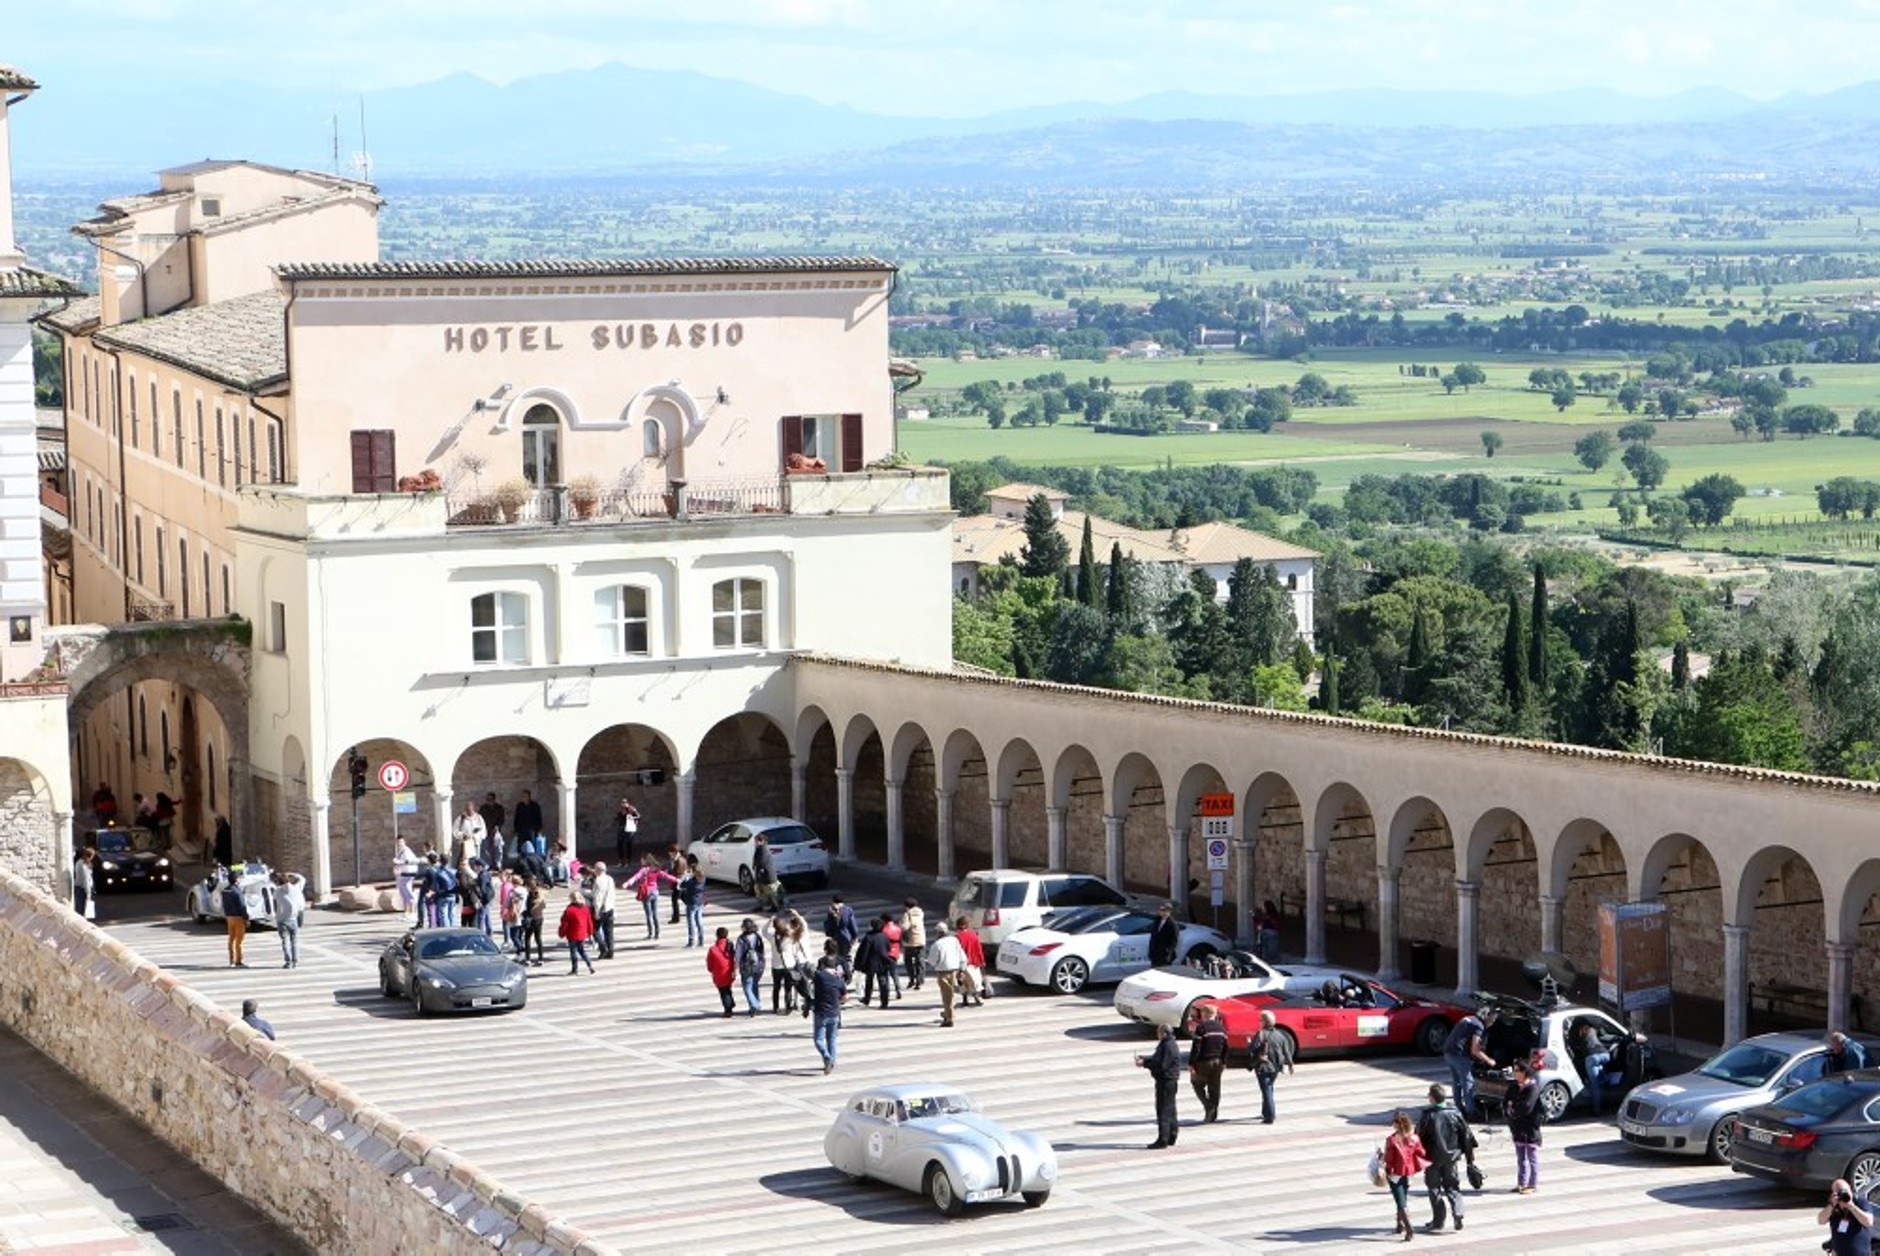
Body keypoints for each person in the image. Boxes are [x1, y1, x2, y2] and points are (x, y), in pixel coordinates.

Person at [1416, 1083, 1478, 1234]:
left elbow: (1417, 1137)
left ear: (1432, 1098)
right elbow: (1467, 1136)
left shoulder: (1428, 1115)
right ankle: (1458, 1213)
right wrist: (1470, 1160)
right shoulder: (1455, 1113)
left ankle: (1438, 1221)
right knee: (1452, 1186)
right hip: (1452, 1158)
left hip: (1432, 1159)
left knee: (1434, 1187)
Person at [1382, 1109, 1431, 1242]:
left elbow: (1388, 1159)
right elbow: (1422, 1152)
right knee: (1401, 1198)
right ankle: (1399, 1224)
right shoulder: (1414, 1138)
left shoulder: (1391, 1140)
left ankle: (1409, 1228)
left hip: (1394, 1174)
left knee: (1401, 1201)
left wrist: (1381, 1156)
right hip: (1409, 1173)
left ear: (1396, 1124)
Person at [1441, 1007, 1497, 1118]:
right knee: (1468, 1082)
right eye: (1493, 1020)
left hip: (1448, 1052)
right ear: (1487, 1018)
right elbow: (1475, 1050)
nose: (1493, 1023)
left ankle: (1459, 1108)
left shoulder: (1468, 1018)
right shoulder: (1479, 1026)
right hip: (1459, 1055)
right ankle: (1471, 1112)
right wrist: (1489, 1060)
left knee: (1457, 1082)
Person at [1137, 1024, 1183, 1149]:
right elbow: (1158, 1058)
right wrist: (1146, 1058)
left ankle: (1163, 1139)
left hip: (1166, 1081)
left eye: (1158, 1033)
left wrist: (1145, 1064)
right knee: (1170, 1109)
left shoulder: (1168, 1046)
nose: (1157, 1036)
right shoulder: (1168, 1043)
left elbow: (1162, 1065)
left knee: (1163, 1110)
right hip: (1169, 1081)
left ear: (1164, 1033)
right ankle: (1171, 1136)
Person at [1248, 1007, 1295, 1124]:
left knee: (1266, 1090)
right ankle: (1266, 1111)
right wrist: (1290, 1064)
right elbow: (1286, 1051)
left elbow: (1252, 1049)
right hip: (1276, 1067)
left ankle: (1269, 1116)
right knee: (1269, 1088)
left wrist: (1249, 1043)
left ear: (1264, 1021)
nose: (1259, 1022)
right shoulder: (1280, 1035)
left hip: (1263, 1066)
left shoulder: (1261, 1034)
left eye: (1260, 1020)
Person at [1504, 1058, 1542, 1195]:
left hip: (1530, 1129)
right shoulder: (1513, 1087)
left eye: (1517, 1071)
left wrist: (1512, 1109)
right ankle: (1521, 1183)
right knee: (1521, 1159)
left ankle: (1533, 1184)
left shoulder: (1532, 1088)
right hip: (1517, 1129)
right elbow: (1506, 1101)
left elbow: (1527, 1107)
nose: (1514, 1073)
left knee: (1532, 1158)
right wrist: (1510, 1110)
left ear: (1525, 1072)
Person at [1188, 1002, 1230, 1123]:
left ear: (1204, 1014)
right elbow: (1226, 1047)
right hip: (1218, 1062)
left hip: (1204, 1061)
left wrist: (1191, 1063)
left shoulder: (1201, 1028)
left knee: (1196, 1083)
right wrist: (1224, 1061)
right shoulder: (1222, 1028)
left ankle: (1208, 1107)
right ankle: (1213, 1114)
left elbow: (1196, 1047)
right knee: (1215, 1088)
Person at [622, 854, 678, 941]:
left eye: (642, 860)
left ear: (645, 861)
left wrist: (627, 883)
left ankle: (650, 933)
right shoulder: (656, 870)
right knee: (655, 913)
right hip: (655, 892)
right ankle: (657, 933)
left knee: (649, 915)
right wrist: (677, 880)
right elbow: (666, 876)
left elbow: (635, 877)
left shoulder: (644, 870)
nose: (640, 861)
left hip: (647, 893)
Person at [812, 953, 848, 1073]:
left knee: (818, 1039)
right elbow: (845, 998)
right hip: (835, 1013)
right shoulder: (839, 979)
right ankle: (831, 1062)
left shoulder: (819, 976)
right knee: (831, 1039)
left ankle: (826, 1056)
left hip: (821, 1012)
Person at [1820, 1177, 1875, 1256]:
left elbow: (1869, 1222)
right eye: (1839, 1192)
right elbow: (1820, 1220)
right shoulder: (1834, 1205)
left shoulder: (1859, 1202)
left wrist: (1851, 1207)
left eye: (1845, 1191)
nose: (1844, 1194)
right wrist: (1832, 1205)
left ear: (1850, 1188)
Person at [1571, 1021, 1613, 1116]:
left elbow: (1573, 1047)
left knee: (1595, 1085)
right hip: (1604, 1054)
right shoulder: (1593, 1029)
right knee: (1600, 1066)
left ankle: (1596, 1111)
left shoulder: (1576, 1034)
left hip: (1591, 1058)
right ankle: (1606, 1078)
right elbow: (1605, 1036)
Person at [270, 869, 307, 969]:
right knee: (294, 940)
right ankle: (295, 961)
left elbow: (274, 903)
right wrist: (292, 874)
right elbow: (302, 879)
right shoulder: (296, 888)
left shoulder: (278, 892)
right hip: (293, 919)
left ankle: (288, 961)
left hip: (281, 920)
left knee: (285, 941)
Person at [856, 916, 895, 1009]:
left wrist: (860, 964)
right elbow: (888, 948)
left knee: (869, 981)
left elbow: (864, 951)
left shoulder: (868, 937)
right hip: (883, 962)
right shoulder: (884, 936)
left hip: (871, 963)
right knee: (883, 982)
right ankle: (884, 1001)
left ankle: (867, 998)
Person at [770, 913, 806, 1014]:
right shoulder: (791, 937)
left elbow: (764, 931)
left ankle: (775, 1007)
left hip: (776, 966)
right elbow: (802, 926)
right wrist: (797, 915)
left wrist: (770, 921)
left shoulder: (772, 937)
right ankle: (788, 1007)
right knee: (788, 988)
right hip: (789, 966)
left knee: (776, 987)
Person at [557, 890, 596, 975]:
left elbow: (564, 923)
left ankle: (574, 969)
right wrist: (590, 932)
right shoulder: (585, 908)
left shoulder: (569, 910)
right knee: (582, 951)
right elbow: (589, 921)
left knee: (573, 952)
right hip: (582, 934)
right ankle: (590, 965)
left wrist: (561, 932)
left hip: (572, 934)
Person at [735, 917, 767, 1016]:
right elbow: (762, 951)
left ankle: (754, 1004)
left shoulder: (741, 939)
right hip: (758, 965)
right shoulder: (757, 936)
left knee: (747, 987)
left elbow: (738, 954)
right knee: (755, 985)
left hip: (746, 966)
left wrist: (736, 966)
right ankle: (754, 1006)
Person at [956, 915, 990, 1003]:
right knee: (975, 981)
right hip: (973, 962)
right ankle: (976, 997)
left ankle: (965, 999)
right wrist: (982, 961)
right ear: (967, 925)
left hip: (961, 963)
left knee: (963, 982)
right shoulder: (973, 935)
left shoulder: (957, 937)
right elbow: (979, 950)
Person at [706, 926, 738, 1017]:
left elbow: (709, 964)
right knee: (728, 989)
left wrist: (711, 969)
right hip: (729, 971)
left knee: (723, 992)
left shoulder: (713, 949)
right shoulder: (730, 945)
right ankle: (731, 1003)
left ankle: (728, 1009)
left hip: (719, 974)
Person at [589, 861, 617, 959]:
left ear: (598, 870)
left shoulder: (598, 881)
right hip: (610, 908)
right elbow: (612, 894)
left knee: (594, 929)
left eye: (595, 869)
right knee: (609, 931)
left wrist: (596, 911)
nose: (594, 870)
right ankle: (611, 950)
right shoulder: (610, 879)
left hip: (601, 909)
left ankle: (603, 948)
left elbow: (598, 898)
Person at [221, 872, 250, 967]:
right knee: (239, 941)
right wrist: (246, 918)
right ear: (236, 880)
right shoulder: (237, 892)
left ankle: (231, 960)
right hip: (238, 917)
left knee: (231, 939)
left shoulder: (225, 891)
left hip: (229, 917)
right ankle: (238, 960)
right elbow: (242, 906)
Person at [677, 854, 707, 947]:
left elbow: (681, 885)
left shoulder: (691, 882)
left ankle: (691, 941)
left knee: (691, 922)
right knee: (699, 921)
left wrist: (686, 876)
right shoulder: (703, 879)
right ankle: (701, 940)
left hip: (691, 903)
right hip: (700, 902)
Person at [751, 832, 785, 911]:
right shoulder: (760, 849)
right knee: (760, 892)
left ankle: (775, 907)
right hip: (762, 876)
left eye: (756, 841)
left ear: (762, 841)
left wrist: (759, 872)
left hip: (766, 875)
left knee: (771, 892)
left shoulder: (763, 849)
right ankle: (762, 906)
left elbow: (762, 862)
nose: (755, 843)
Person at [901, 897, 927, 991]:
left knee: (908, 962)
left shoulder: (907, 914)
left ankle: (912, 979)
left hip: (910, 942)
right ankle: (920, 981)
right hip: (921, 940)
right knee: (920, 961)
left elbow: (905, 927)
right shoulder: (921, 913)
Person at [824, 894, 859, 961]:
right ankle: (845, 969)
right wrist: (855, 936)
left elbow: (829, 924)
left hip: (835, 937)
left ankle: (839, 969)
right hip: (846, 937)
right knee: (845, 955)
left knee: (837, 957)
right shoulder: (848, 910)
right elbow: (852, 924)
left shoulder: (831, 910)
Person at [521, 876, 547, 967]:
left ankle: (528, 959)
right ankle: (541, 958)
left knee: (527, 938)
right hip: (539, 917)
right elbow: (543, 906)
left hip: (531, 918)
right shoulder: (540, 893)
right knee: (538, 938)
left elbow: (529, 907)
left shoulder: (531, 895)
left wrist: (526, 913)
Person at [453, 802, 486, 869]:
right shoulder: (461, 818)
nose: (468, 811)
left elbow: (483, 830)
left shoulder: (478, 818)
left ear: (473, 809)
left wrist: (476, 836)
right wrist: (462, 835)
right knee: (466, 860)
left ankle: (476, 872)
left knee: (476, 859)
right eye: (467, 810)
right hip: (465, 843)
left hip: (475, 842)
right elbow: (455, 830)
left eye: (470, 810)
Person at [512, 789, 544, 857]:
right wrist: (515, 829)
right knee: (521, 845)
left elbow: (538, 817)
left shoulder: (535, 806)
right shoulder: (520, 806)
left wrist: (539, 829)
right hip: (521, 829)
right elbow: (517, 818)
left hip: (532, 829)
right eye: (523, 796)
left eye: (526, 796)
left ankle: (532, 859)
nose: (524, 798)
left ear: (529, 797)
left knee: (532, 845)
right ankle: (522, 860)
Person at [393, 837, 421, 916]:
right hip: (401, 874)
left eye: (400, 842)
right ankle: (406, 911)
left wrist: (398, 862)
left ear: (404, 842)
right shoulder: (400, 851)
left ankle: (412, 911)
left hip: (407, 873)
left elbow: (409, 861)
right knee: (403, 893)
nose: (399, 843)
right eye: (398, 842)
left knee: (408, 891)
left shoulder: (407, 851)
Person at [1149, 902, 1182, 967]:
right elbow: (1153, 935)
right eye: (1161, 910)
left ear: (1169, 912)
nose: (1162, 912)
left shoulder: (1172, 925)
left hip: (1164, 956)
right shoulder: (1157, 920)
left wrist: (1167, 952)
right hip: (1155, 954)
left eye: (1165, 911)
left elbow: (1174, 941)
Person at [72, 846, 96, 920]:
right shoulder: (83, 865)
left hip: (80, 888)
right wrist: (88, 892)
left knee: (81, 908)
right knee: (81, 909)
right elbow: (86, 879)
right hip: (82, 889)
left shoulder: (79, 862)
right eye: (92, 856)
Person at [615, 797, 640, 865]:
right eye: (622, 802)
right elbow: (618, 817)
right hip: (621, 829)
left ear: (628, 803)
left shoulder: (631, 809)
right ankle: (621, 861)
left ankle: (628, 862)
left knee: (628, 845)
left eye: (625, 802)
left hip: (629, 829)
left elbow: (639, 816)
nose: (623, 804)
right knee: (619, 844)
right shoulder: (621, 810)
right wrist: (616, 818)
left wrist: (632, 817)